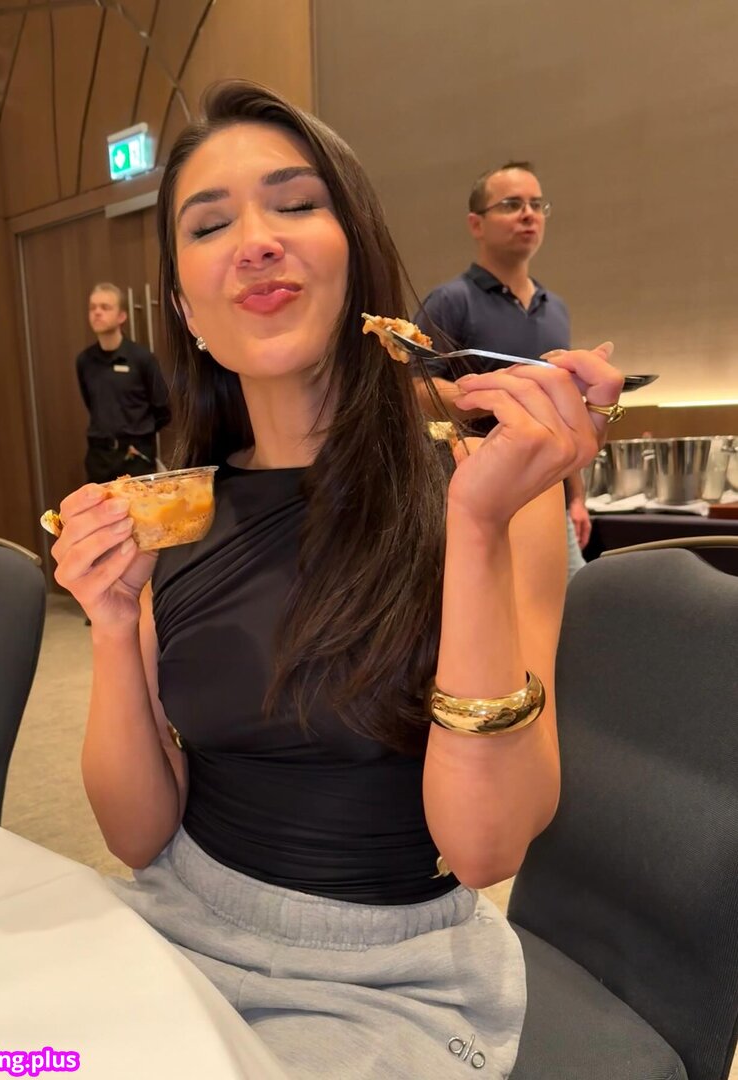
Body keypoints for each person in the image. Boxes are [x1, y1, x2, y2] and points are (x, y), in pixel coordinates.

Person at [49, 82, 623, 1080]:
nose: (255, 241)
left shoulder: (492, 493)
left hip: (387, 980)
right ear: (183, 305)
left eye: (295, 204)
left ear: (357, 252)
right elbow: (138, 837)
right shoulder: (171, 510)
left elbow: (485, 849)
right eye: (209, 223)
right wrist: (107, 621)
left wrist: (473, 529)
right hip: (177, 926)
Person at [412, 161, 592, 577]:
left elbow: (565, 406)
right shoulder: (449, 301)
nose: (528, 214)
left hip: (550, 492)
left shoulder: (555, 308)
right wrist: (497, 394)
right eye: (511, 204)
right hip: (478, 497)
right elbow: (416, 388)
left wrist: (577, 496)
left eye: (536, 204)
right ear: (476, 224)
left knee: (570, 607)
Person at [75, 283, 171, 483]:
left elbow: (163, 410)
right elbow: (91, 404)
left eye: (105, 307)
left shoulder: (142, 359)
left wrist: (139, 435)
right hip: (99, 457)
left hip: (136, 456)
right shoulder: (85, 361)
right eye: (93, 308)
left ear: (121, 316)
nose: (97, 312)